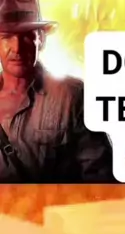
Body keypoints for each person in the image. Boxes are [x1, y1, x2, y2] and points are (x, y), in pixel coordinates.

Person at [0, 0, 113, 182]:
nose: (17, 47)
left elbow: (101, 179)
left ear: (41, 39)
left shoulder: (72, 97)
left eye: (27, 36)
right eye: (7, 37)